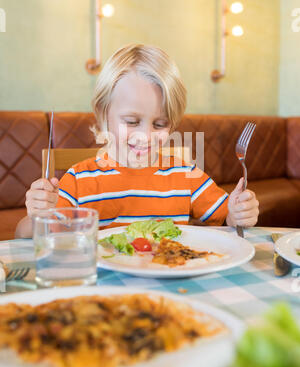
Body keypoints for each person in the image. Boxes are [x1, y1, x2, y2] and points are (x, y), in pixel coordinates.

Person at [15, 44, 259, 238]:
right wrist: (38, 216)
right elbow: (25, 236)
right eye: (131, 121)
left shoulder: (187, 175)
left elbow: (228, 217)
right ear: (103, 114)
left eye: (160, 124)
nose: (146, 136)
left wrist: (239, 213)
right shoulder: (78, 181)